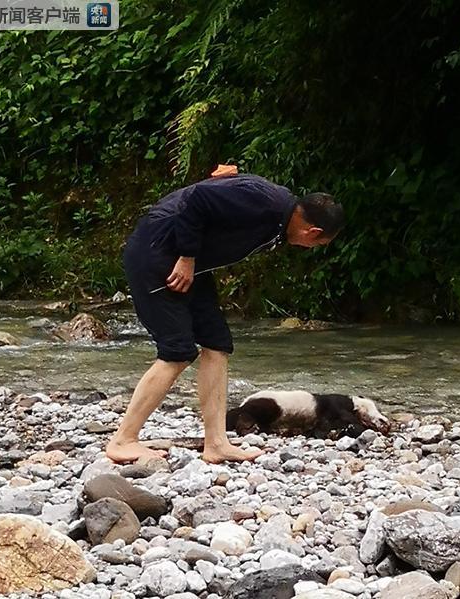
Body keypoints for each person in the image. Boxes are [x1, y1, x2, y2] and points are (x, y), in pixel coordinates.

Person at [106, 165, 344, 464]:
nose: (311, 248)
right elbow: (200, 199)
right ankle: (123, 440)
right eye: (317, 244)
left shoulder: (278, 211)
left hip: (192, 264)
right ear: (314, 231)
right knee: (177, 351)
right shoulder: (267, 204)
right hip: (159, 257)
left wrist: (227, 180)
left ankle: (216, 443)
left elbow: (224, 192)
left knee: (217, 344)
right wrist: (187, 257)